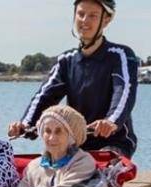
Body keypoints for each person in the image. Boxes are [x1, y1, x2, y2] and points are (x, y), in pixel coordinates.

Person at [9, 0, 138, 158]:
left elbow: (124, 92)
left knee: (97, 175)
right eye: (81, 14)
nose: (85, 20)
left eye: (93, 15)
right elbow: (44, 96)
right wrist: (25, 124)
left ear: (106, 19)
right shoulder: (66, 60)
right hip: (75, 144)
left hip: (113, 143)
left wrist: (111, 121)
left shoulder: (120, 55)